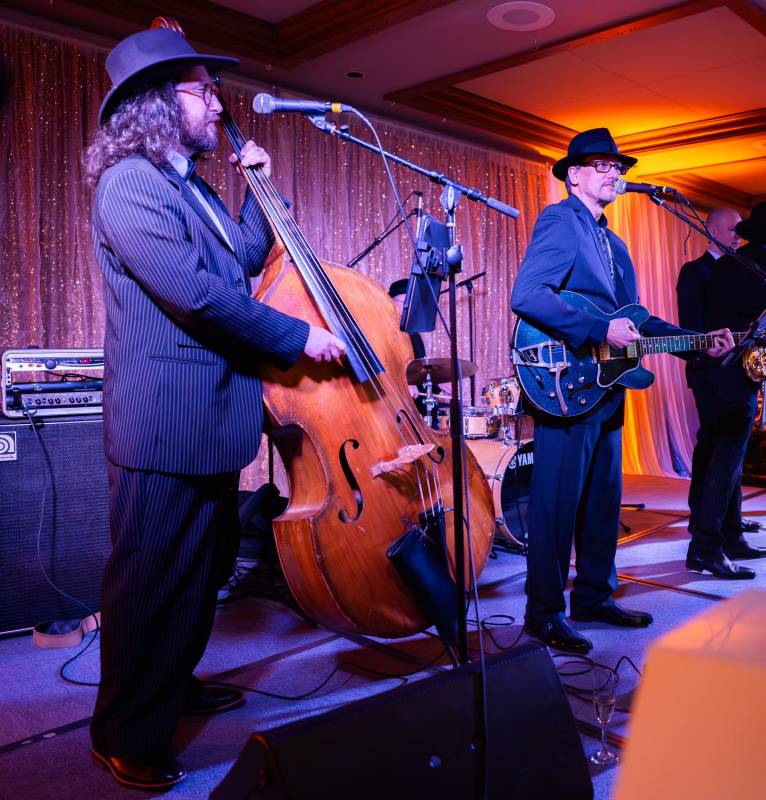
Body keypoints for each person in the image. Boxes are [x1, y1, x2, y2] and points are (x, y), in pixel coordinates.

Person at [83, 27, 346, 791]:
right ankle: (124, 732)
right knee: (151, 582)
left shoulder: (188, 185)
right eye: (202, 90)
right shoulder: (129, 184)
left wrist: (263, 189)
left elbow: (241, 259)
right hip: (164, 424)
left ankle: (173, 681)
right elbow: (198, 295)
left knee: (199, 578)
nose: (216, 103)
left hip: (212, 420)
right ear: (158, 103)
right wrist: (299, 337)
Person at [511, 128, 733, 654]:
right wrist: (596, 330)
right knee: (556, 504)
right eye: (604, 165)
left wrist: (698, 342)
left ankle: (593, 596)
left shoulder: (614, 243)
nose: (615, 173)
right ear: (575, 175)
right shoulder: (561, 220)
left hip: (607, 385)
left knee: (602, 501)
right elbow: (528, 295)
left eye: (618, 166)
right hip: (565, 382)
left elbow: (634, 320)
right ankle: (543, 613)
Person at [677, 208, 765, 578]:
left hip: (734, 371)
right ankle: (707, 541)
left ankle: (729, 533)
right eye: (730, 230)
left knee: (728, 454)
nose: (736, 237)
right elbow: (691, 327)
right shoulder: (702, 271)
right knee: (719, 453)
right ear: (711, 230)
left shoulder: (739, 266)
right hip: (713, 371)